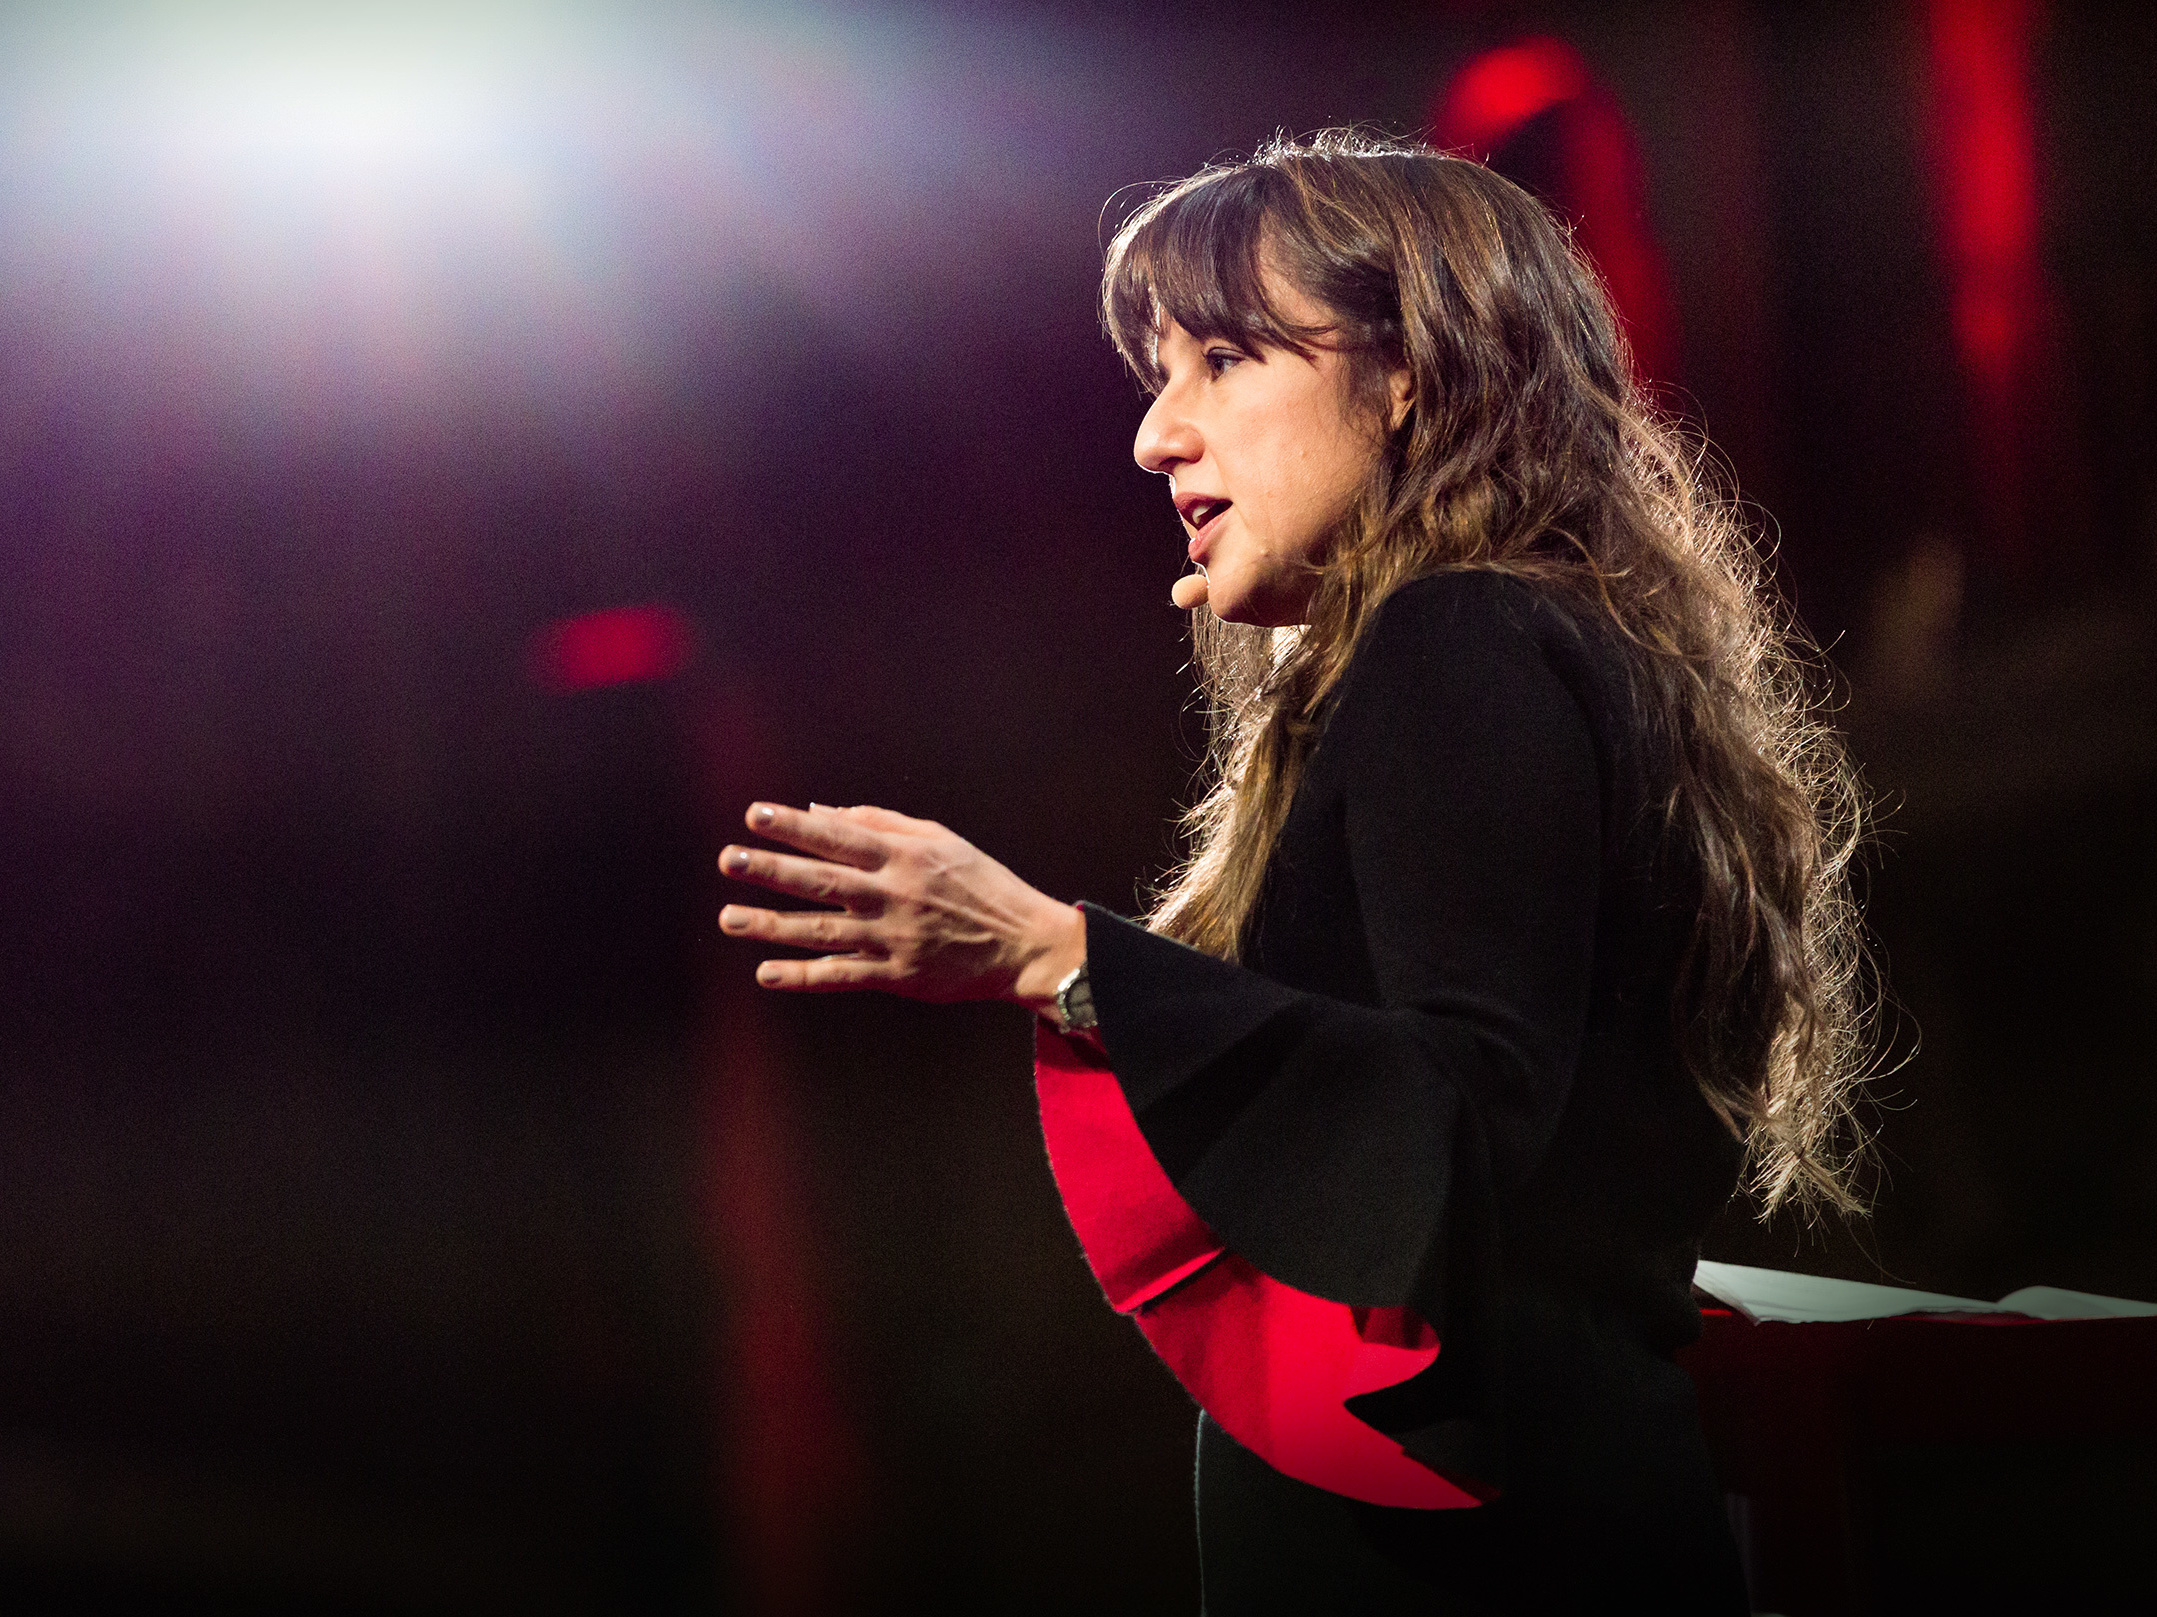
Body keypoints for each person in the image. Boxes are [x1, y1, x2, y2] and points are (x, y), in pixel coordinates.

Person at [716, 130, 1871, 1613]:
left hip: (1465, 1549)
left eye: (1220, 361)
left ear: (1407, 374)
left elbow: (1459, 1117)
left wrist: (1053, 954)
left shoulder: (1454, 635)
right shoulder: (1535, 631)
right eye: (1158, 376)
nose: (1156, 436)